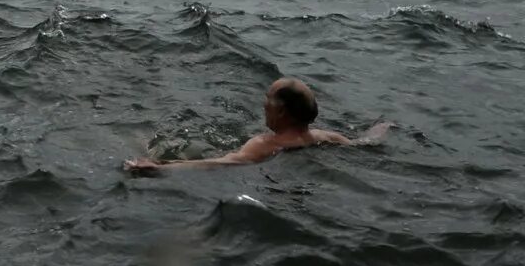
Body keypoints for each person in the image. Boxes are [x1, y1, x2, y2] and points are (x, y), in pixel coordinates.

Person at [125, 78, 391, 173]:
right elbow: (363, 144)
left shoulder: (264, 145)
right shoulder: (327, 137)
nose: (264, 105)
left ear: (282, 111)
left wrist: (161, 168)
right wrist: (380, 128)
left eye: (268, 99)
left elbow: (221, 164)